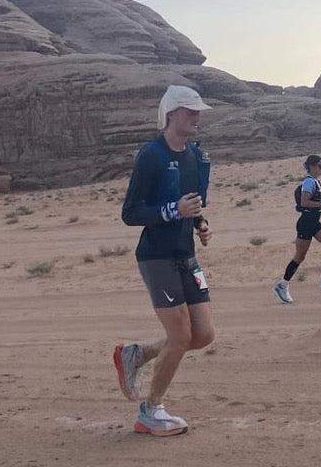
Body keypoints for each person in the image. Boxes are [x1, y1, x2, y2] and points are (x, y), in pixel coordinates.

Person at [113, 84, 216, 437]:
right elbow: (130, 213)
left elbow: (196, 205)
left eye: (198, 111)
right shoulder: (151, 155)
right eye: (190, 111)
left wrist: (200, 224)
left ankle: (137, 354)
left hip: (186, 254)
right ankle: (151, 410)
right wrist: (174, 211)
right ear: (171, 114)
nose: (197, 117)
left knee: (202, 335)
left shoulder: (197, 157)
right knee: (181, 334)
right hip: (156, 256)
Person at [272, 155, 321, 303]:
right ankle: (282, 285)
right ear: (311, 167)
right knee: (299, 257)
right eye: (320, 166)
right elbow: (304, 202)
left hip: (312, 222)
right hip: (306, 223)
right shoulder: (309, 182)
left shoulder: (315, 182)